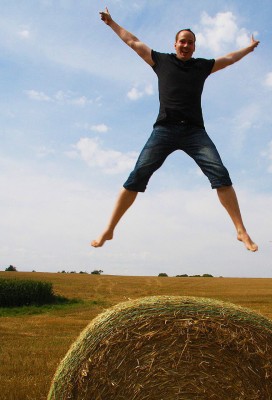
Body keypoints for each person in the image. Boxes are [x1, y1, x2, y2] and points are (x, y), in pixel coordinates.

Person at [92, 7, 259, 252]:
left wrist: (249, 47)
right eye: (183, 41)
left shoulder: (202, 66)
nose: (186, 45)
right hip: (164, 130)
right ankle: (109, 229)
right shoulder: (161, 60)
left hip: (194, 132)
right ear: (175, 43)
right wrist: (111, 23)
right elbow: (133, 42)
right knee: (137, 176)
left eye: (190, 43)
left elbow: (229, 58)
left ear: (194, 47)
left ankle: (241, 231)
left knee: (220, 175)